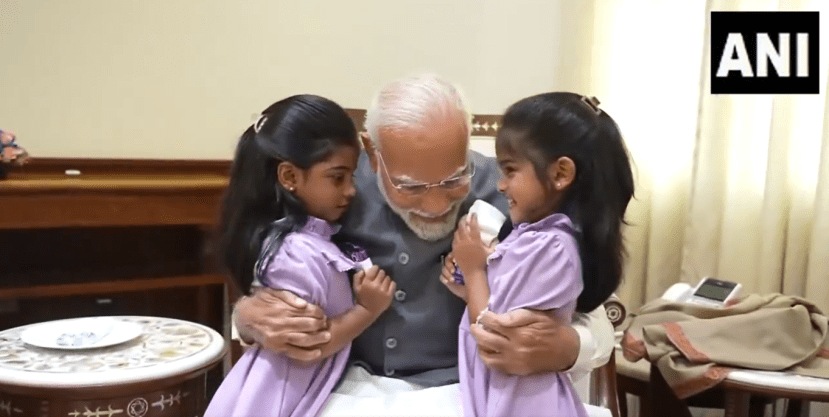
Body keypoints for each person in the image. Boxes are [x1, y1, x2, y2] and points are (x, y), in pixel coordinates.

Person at [233, 74, 617, 416]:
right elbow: (273, 276)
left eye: (454, 179)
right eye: (410, 186)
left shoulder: (520, 195)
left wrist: (567, 346)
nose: (435, 206)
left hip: (469, 390)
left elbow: (594, 321)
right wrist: (248, 318)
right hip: (344, 386)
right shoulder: (335, 191)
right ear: (371, 152)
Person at [205, 94, 396, 417]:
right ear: (290, 177)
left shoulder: (313, 240)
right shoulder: (296, 254)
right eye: (338, 178)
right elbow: (311, 344)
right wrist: (366, 309)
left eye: (351, 176)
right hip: (281, 391)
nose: (351, 190)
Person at [448, 93, 634, 416]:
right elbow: (504, 301)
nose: (501, 185)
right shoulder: (532, 237)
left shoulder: (552, 248)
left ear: (561, 174)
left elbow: (494, 333)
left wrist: (475, 269)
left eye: (509, 171)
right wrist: (472, 282)